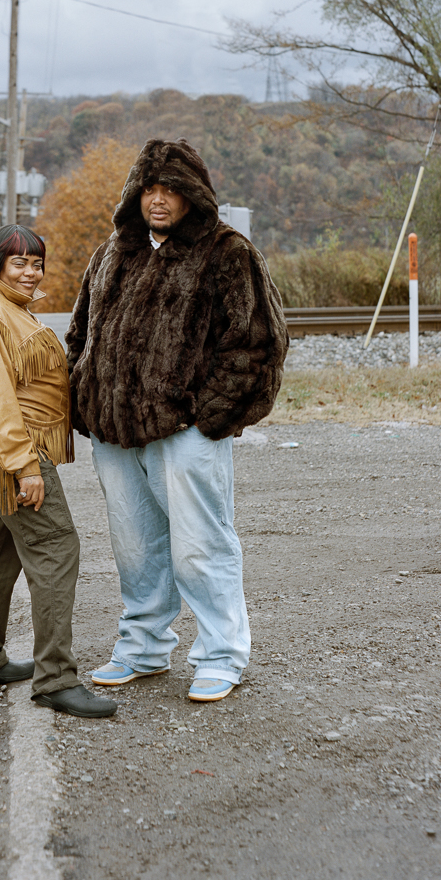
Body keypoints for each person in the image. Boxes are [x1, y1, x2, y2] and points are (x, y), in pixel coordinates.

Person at [66, 139, 288, 702]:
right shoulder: (110, 253)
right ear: (135, 194)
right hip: (114, 433)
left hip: (186, 431)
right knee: (135, 547)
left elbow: (258, 342)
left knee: (200, 545)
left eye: (171, 189)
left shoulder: (227, 251)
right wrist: (83, 400)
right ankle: (142, 648)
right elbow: (80, 335)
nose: (159, 200)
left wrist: (207, 417)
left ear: (194, 195)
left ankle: (220, 655)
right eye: (149, 189)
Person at [0, 224, 116, 718]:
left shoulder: (8, 309)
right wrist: (25, 466)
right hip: (10, 446)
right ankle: (55, 680)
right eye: (18, 262)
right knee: (54, 545)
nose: (30, 271)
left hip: (8, 443)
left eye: (37, 262)